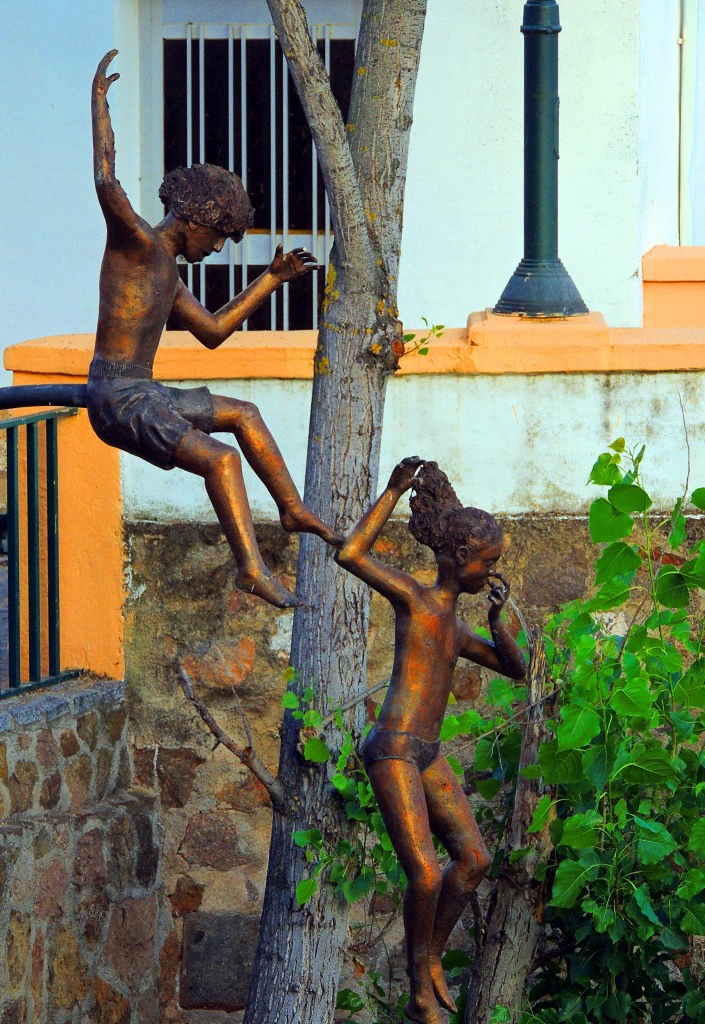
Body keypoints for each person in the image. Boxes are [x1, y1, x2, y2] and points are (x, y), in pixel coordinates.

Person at [89, 50, 340, 608]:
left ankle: (292, 508)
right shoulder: (137, 246)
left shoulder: (170, 277)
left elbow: (214, 331)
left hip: (143, 392)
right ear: (197, 220)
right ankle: (250, 568)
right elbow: (107, 182)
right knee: (221, 460)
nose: (219, 249)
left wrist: (272, 279)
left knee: (243, 415)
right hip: (117, 398)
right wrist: (100, 103)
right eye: (220, 237)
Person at [334, 457, 527, 1023]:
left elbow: (514, 670)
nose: (491, 574)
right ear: (458, 559)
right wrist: (393, 491)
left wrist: (499, 626)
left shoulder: (457, 627)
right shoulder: (416, 602)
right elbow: (351, 554)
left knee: (472, 859)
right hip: (392, 748)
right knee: (423, 872)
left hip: (427, 754)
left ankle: (431, 959)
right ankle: (422, 982)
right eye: (487, 563)